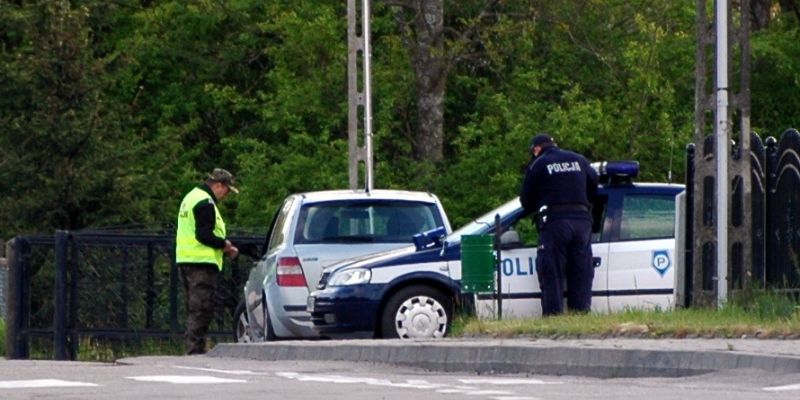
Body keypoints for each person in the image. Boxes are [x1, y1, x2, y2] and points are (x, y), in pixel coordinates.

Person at [519, 133, 599, 316]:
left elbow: (526, 201)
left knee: (551, 271)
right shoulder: (579, 159)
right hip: (582, 223)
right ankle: (580, 315)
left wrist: (541, 203)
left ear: (536, 149)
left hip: (556, 223)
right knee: (581, 271)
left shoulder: (539, 164)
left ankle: (553, 317)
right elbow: (594, 186)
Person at [176, 168, 239, 354]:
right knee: (201, 309)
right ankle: (195, 351)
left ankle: (194, 348)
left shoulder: (191, 197)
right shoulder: (205, 202)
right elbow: (204, 234)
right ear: (219, 185)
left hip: (187, 259)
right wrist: (224, 245)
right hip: (201, 262)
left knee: (194, 307)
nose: (226, 196)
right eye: (227, 191)